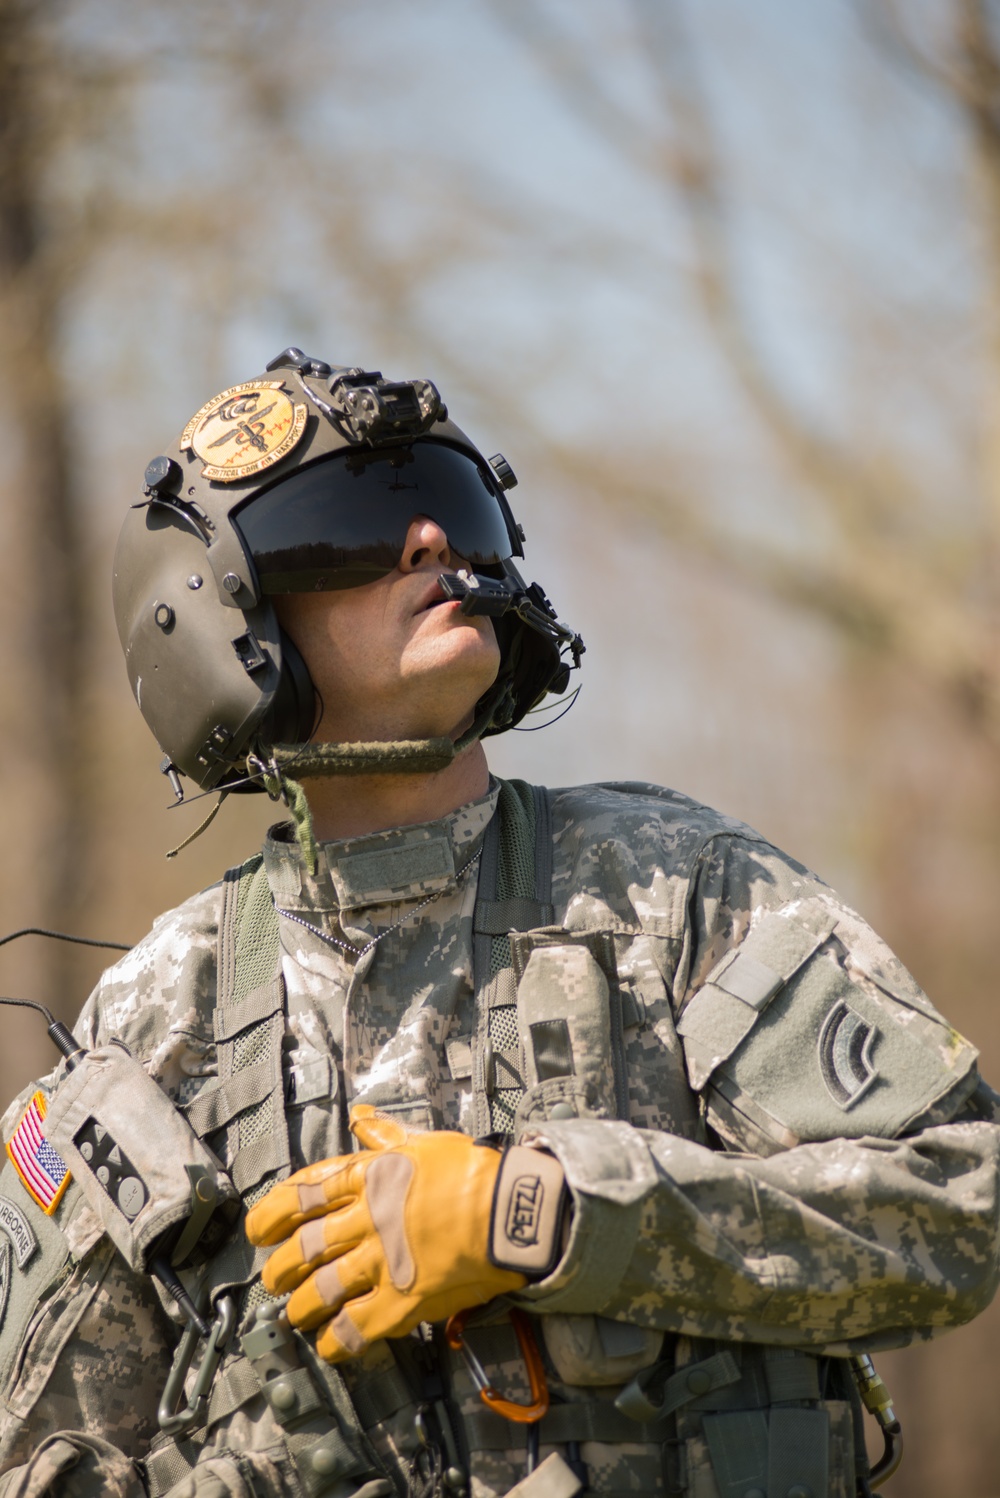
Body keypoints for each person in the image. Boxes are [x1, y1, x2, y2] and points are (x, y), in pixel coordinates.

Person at [0, 348, 996, 1498]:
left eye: (455, 510)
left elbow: (958, 1202)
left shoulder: (665, 887)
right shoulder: (158, 1015)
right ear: (216, 634)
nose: (434, 543)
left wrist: (536, 1213)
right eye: (352, 521)